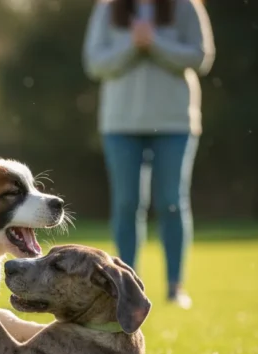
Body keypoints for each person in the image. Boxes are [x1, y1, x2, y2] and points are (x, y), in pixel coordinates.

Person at [83, 0, 215, 309]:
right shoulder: (107, 8)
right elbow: (95, 63)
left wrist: (154, 42)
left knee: (171, 202)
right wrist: (133, 43)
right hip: (120, 125)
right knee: (127, 203)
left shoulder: (186, 7)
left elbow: (201, 57)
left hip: (174, 123)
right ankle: (128, 287)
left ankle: (175, 287)